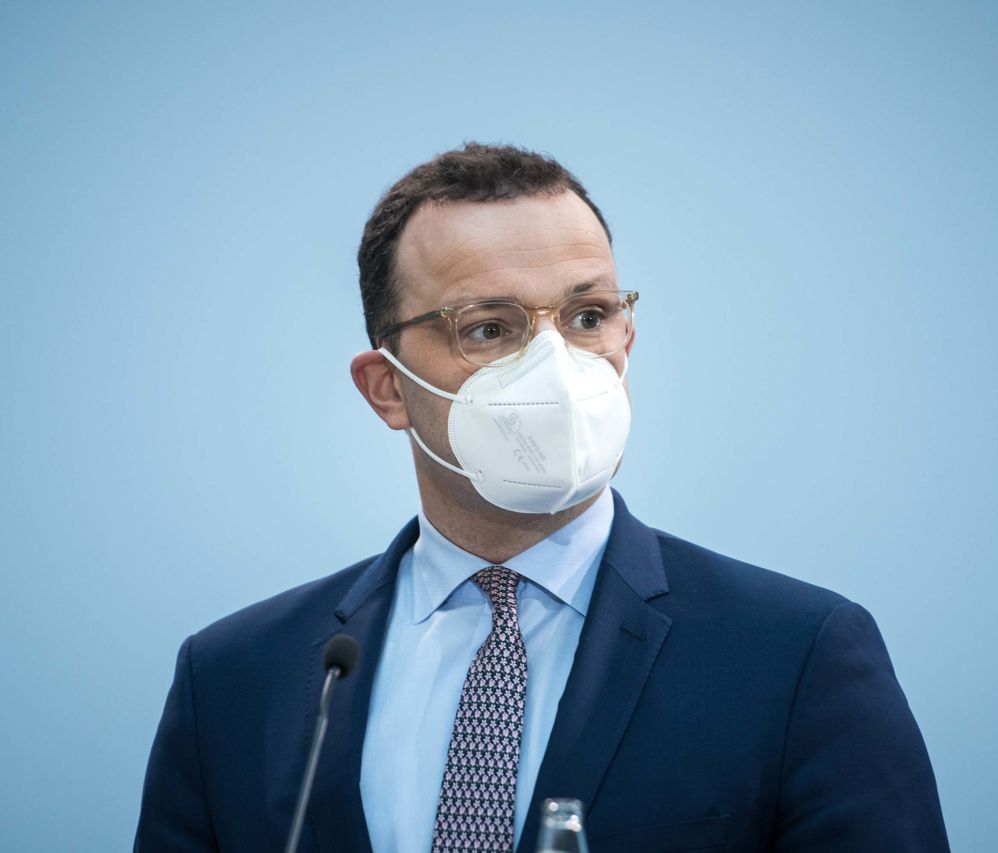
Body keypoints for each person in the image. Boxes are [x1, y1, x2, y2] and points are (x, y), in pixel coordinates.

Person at [135, 143, 950, 852]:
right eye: (489, 328)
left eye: (588, 315)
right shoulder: (239, 679)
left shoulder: (795, 655)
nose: (556, 366)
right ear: (387, 388)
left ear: (626, 338)